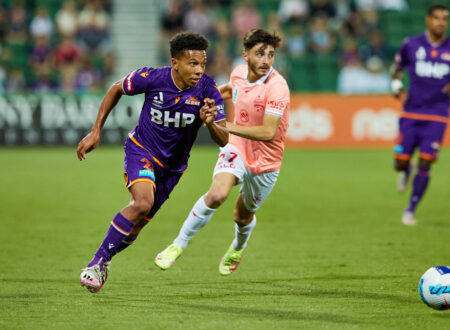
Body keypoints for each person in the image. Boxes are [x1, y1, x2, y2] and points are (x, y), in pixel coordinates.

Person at [77, 31, 228, 293]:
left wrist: (210, 123)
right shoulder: (153, 78)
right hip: (142, 151)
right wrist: (96, 130)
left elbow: (224, 139)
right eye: (193, 63)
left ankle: (106, 260)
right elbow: (116, 88)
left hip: (173, 169)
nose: (199, 70)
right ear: (175, 63)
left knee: (136, 226)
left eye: (203, 63)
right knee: (142, 203)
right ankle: (96, 262)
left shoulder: (209, 90)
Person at [154, 29, 290, 275]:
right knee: (217, 195)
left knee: (242, 216)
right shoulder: (238, 73)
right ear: (245, 55)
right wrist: (200, 98)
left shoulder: (277, 87)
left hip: (266, 162)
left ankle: (238, 247)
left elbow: (269, 132)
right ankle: (177, 244)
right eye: (260, 54)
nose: (266, 60)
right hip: (236, 147)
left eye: (271, 55)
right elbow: (226, 91)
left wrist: (226, 125)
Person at [391, 4, 450, 226]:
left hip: (438, 114)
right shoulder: (411, 44)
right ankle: (406, 170)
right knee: (399, 162)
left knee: (426, 161)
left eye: (444, 18)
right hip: (411, 112)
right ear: (428, 20)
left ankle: (410, 209)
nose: (441, 22)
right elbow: (395, 69)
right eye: (436, 18)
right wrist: (397, 88)